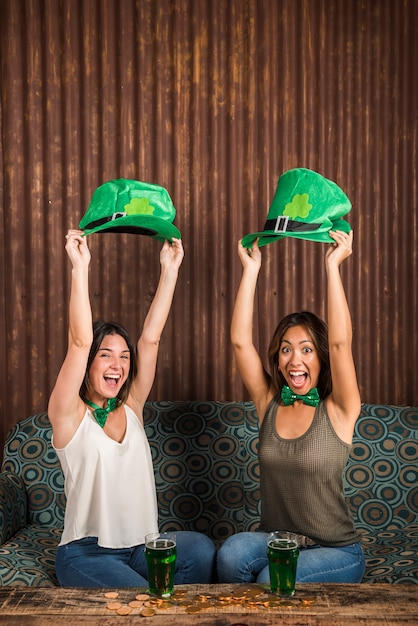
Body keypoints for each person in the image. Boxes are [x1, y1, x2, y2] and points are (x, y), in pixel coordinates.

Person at [49, 229, 216, 588]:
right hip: (86, 552)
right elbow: (79, 342)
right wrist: (80, 267)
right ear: (89, 363)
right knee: (142, 601)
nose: (117, 365)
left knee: (200, 550)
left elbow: (151, 339)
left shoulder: (132, 406)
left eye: (124, 357)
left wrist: (170, 270)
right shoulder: (68, 414)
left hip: (142, 548)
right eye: (105, 355)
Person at [217, 229, 365, 584]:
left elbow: (342, 344)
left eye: (307, 349)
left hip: (336, 550)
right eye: (286, 349)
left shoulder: (341, 409)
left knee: (271, 579)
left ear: (321, 358)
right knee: (230, 555)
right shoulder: (269, 403)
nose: (295, 359)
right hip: (279, 542)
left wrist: (333, 266)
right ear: (278, 358)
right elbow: (240, 342)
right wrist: (250, 270)